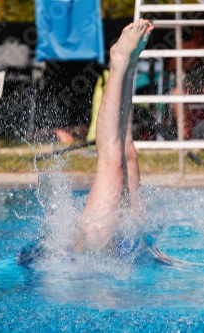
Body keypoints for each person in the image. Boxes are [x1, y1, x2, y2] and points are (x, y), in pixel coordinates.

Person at [73, 19, 154, 253]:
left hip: (90, 254)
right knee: (123, 154)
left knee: (117, 158)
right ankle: (124, 64)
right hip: (98, 252)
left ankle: (123, 63)